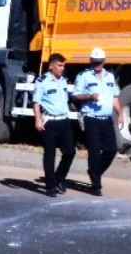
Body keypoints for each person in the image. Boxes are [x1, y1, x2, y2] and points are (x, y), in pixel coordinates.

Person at [72, 47, 123, 197]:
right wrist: (90, 96)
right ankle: (96, 185)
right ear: (90, 61)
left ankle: (94, 171)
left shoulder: (110, 77)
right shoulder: (84, 76)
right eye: (94, 62)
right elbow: (75, 96)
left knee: (111, 150)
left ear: (104, 62)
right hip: (90, 117)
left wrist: (120, 114)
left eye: (99, 63)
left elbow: (114, 97)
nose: (97, 65)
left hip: (106, 118)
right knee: (94, 151)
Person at [33, 53, 74, 197]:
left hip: (63, 121)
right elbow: (36, 102)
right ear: (51, 66)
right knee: (50, 154)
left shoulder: (63, 81)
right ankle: (51, 185)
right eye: (59, 65)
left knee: (70, 152)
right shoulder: (42, 81)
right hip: (49, 122)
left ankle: (59, 178)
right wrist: (38, 119)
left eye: (63, 65)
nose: (62, 68)